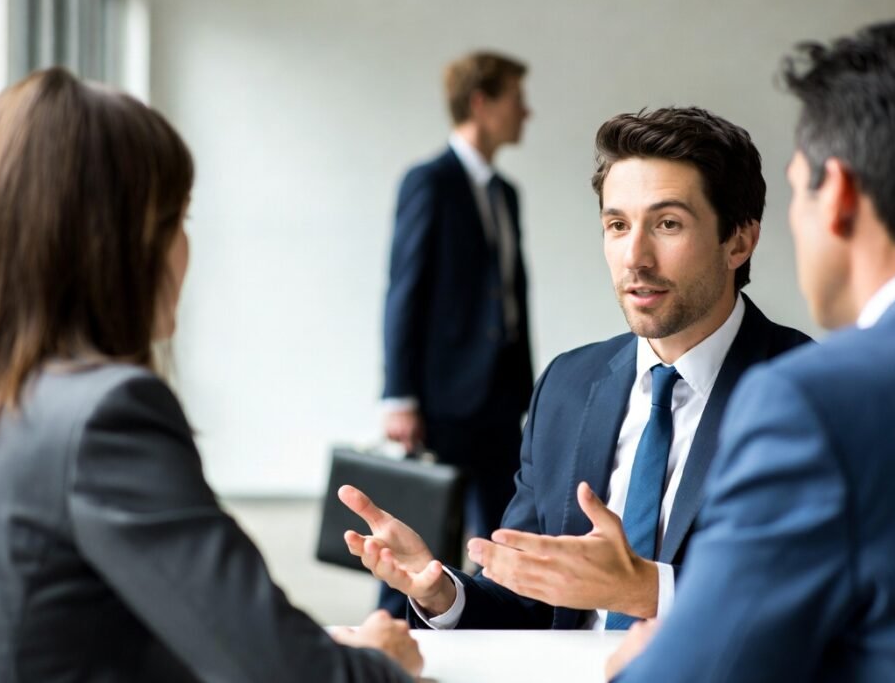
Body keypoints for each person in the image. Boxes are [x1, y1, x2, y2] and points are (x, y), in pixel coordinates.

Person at [0, 68, 421, 683]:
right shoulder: (104, 418)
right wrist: (380, 660)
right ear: (119, 243)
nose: (185, 250)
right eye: (179, 219)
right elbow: (282, 671)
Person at [345, 107, 809, 630]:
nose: (635, 256)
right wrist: (442, 593)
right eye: (617, 225)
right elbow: (524, 602)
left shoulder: (813, 395)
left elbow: (817, 601)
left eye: (668, 224)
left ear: (739, 242)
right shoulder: (567, 386)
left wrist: (650, 591)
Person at [607, 20, 895, 682]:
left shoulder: (813, 399)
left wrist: (640, 663)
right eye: (617, 224)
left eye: (800, 187)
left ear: (840, 197)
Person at [378, 51, 534, 616]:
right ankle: (388, 649)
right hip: (442, 398)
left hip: (501, 398)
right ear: (481, 103)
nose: (527, 112)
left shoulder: (505, 193)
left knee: (501, 539)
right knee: (417, 546)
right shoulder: (430, 182)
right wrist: (399, 396)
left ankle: (493, 641)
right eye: (517, 98)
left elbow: (511, 298)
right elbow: (404, 291)